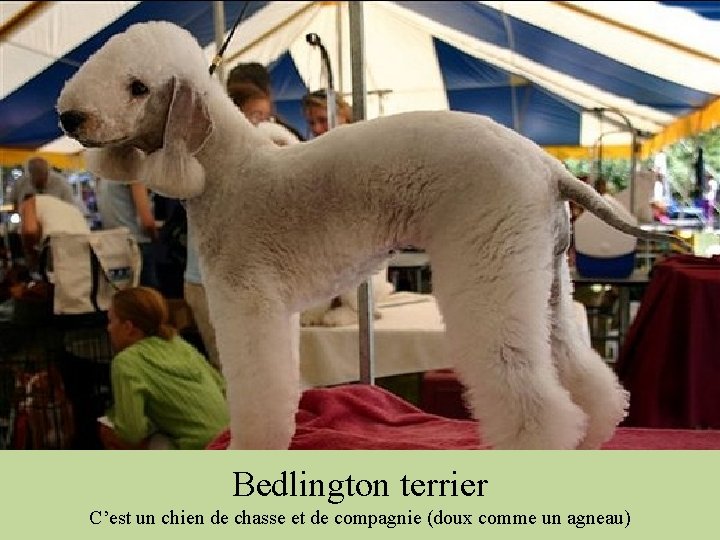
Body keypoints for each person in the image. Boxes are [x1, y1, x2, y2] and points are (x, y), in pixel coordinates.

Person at [99, 286, 229, 450]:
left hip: (195, 448)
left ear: (128, 327)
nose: (108, 328)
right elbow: (221, 386)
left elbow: (131, 432)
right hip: (228, 439)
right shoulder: (178, 343)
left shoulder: (126, 362)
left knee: (107, 431)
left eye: (111, 321)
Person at [96, 178, 159, 288]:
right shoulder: (133, 175)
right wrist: (157, 237)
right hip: (137, 245)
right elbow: (147, 222)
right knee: (148, 296)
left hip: (114, 244)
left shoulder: (104, 178)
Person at [18, 193, 90, 267]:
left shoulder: (28, 203)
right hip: (87, 243)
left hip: (59, 243)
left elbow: (30, 230)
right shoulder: (62, 205)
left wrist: (30, 251)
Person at [10, 156, 75, 210]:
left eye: (41, 176)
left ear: (47, 173)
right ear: (30, 174)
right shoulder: (20, 183)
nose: (38, 179)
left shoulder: (62, 184)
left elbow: (69, 207)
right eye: (35, 176)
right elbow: (13, 202)